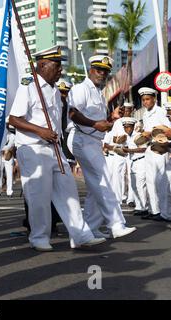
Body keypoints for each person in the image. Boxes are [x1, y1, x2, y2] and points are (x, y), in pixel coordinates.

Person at [9, 46, 106, 251]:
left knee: (69, 191)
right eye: (57, 65)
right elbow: (14, 119)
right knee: (39, 197)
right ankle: (39, 238)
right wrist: (39, 131)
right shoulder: (28, 87)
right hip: (33, 148)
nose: (60, 70)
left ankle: (80, 235)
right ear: (43, 65)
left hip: (54, 149)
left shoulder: (54, 91)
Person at [67, 55, 136, 239]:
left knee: (95, 186)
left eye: (105, 71)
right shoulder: (81, 88)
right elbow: (73, 113)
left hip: (93, 140)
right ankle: (116, 224)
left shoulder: (98, 92)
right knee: (104, 180)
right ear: (91, 69)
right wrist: (94, 124)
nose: (102, 74)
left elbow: (100, 124)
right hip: (82, 138)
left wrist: (111, 119)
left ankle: (91, 227)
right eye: (99, 70)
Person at [137, 88, 171, 222]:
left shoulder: (161, 112)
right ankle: (155, 210)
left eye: (148, 99)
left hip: (160, 149)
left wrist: (151, 132)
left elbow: (168, 130)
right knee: (150, 181)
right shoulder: (145, 114)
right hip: (149, 149)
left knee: (161, 183)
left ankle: (166, 213)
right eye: (143, 100)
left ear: (154, 99)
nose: (145, 102)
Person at [120, 118, 149, 217]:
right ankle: (139, 207)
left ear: (132, 127)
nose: (126, 129)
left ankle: (144, 207)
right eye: (125, 127)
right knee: (133, 185)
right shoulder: (127, 137)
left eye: (128, 127)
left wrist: (129, 150)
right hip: (132, 162)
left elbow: (144, 148)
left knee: (141, 185)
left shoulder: (137, 136)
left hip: (141, 160)